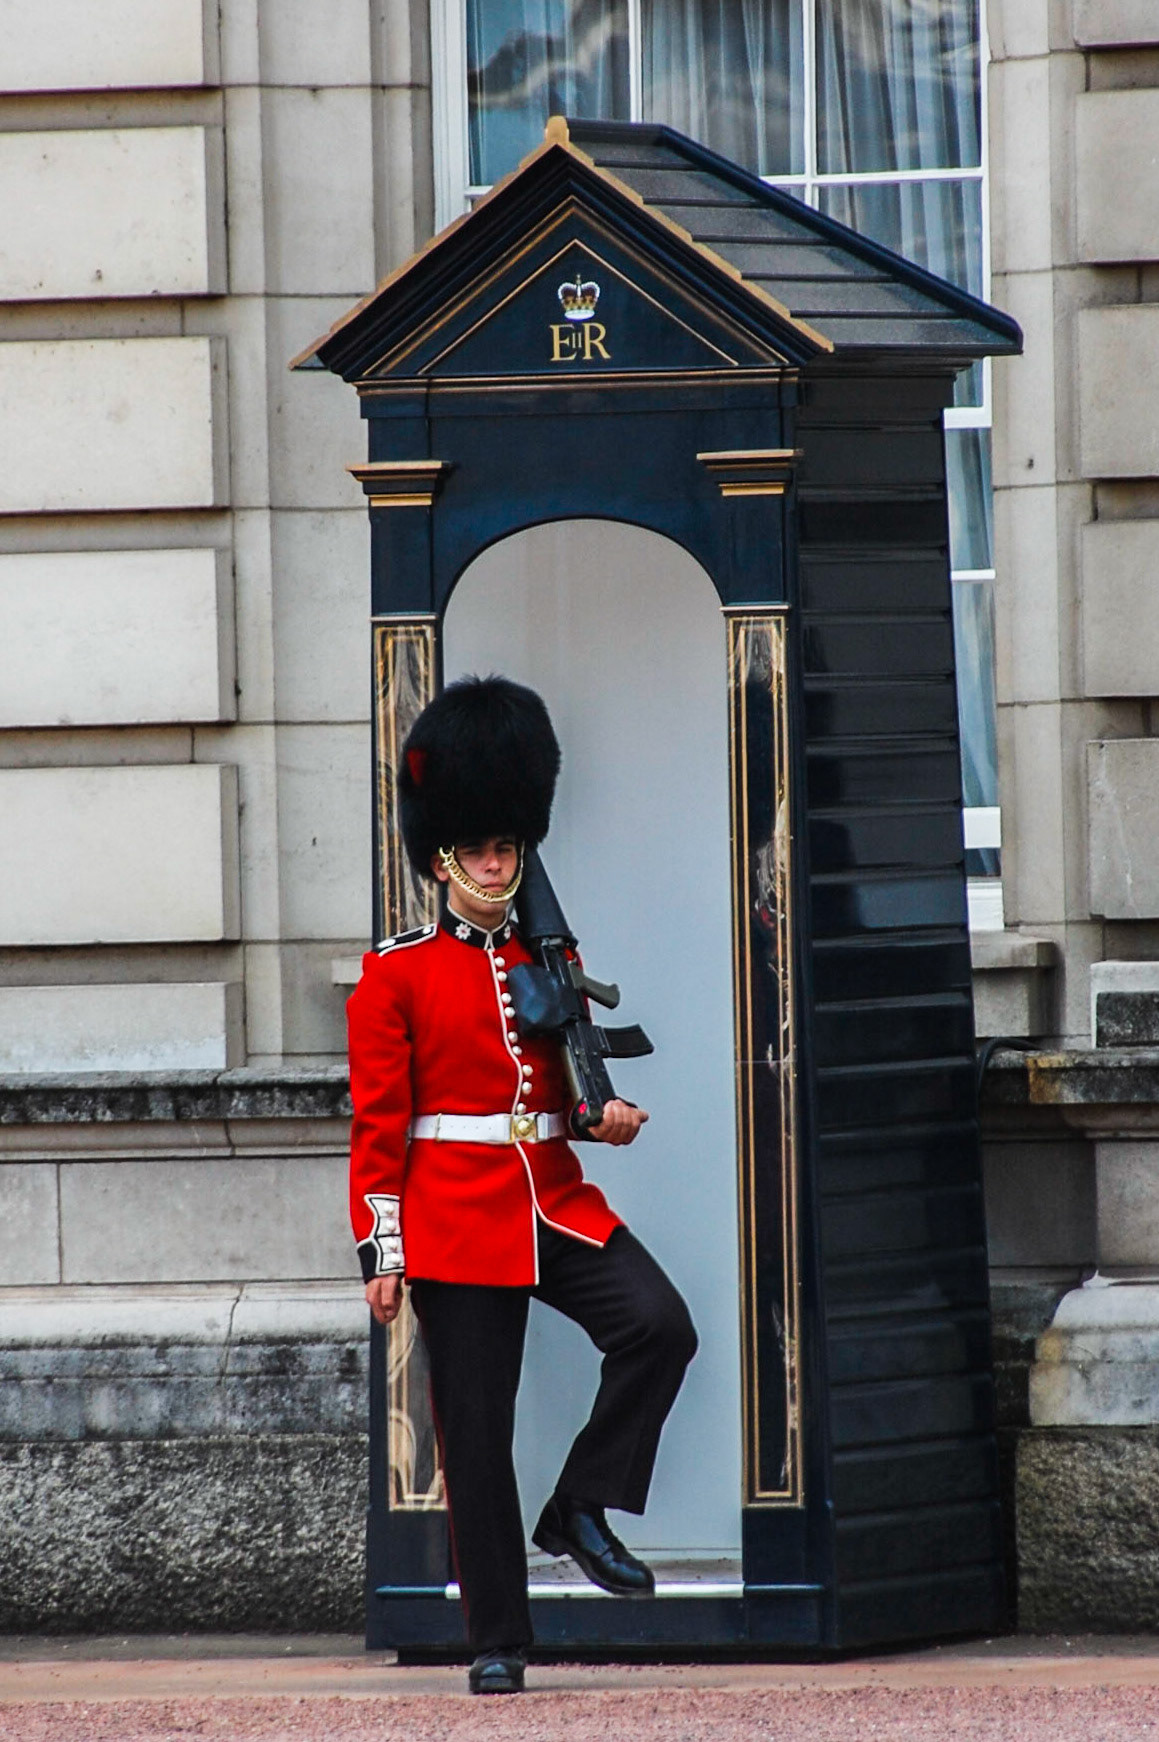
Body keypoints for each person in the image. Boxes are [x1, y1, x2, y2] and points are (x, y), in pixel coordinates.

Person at [347, 675, 697, 1696]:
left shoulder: (550, 951)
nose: (497, 863)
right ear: (442, 858)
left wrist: (601, 1117)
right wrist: (382, 1249)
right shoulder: (396, 973)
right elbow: (378, 1128)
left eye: (507, 845)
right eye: (479, 848)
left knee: (659, 1326)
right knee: (477, 1432)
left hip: (551, 1197)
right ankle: (497, 1636)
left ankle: (580, 1504)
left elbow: (559, 1086)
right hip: (453, 1216)